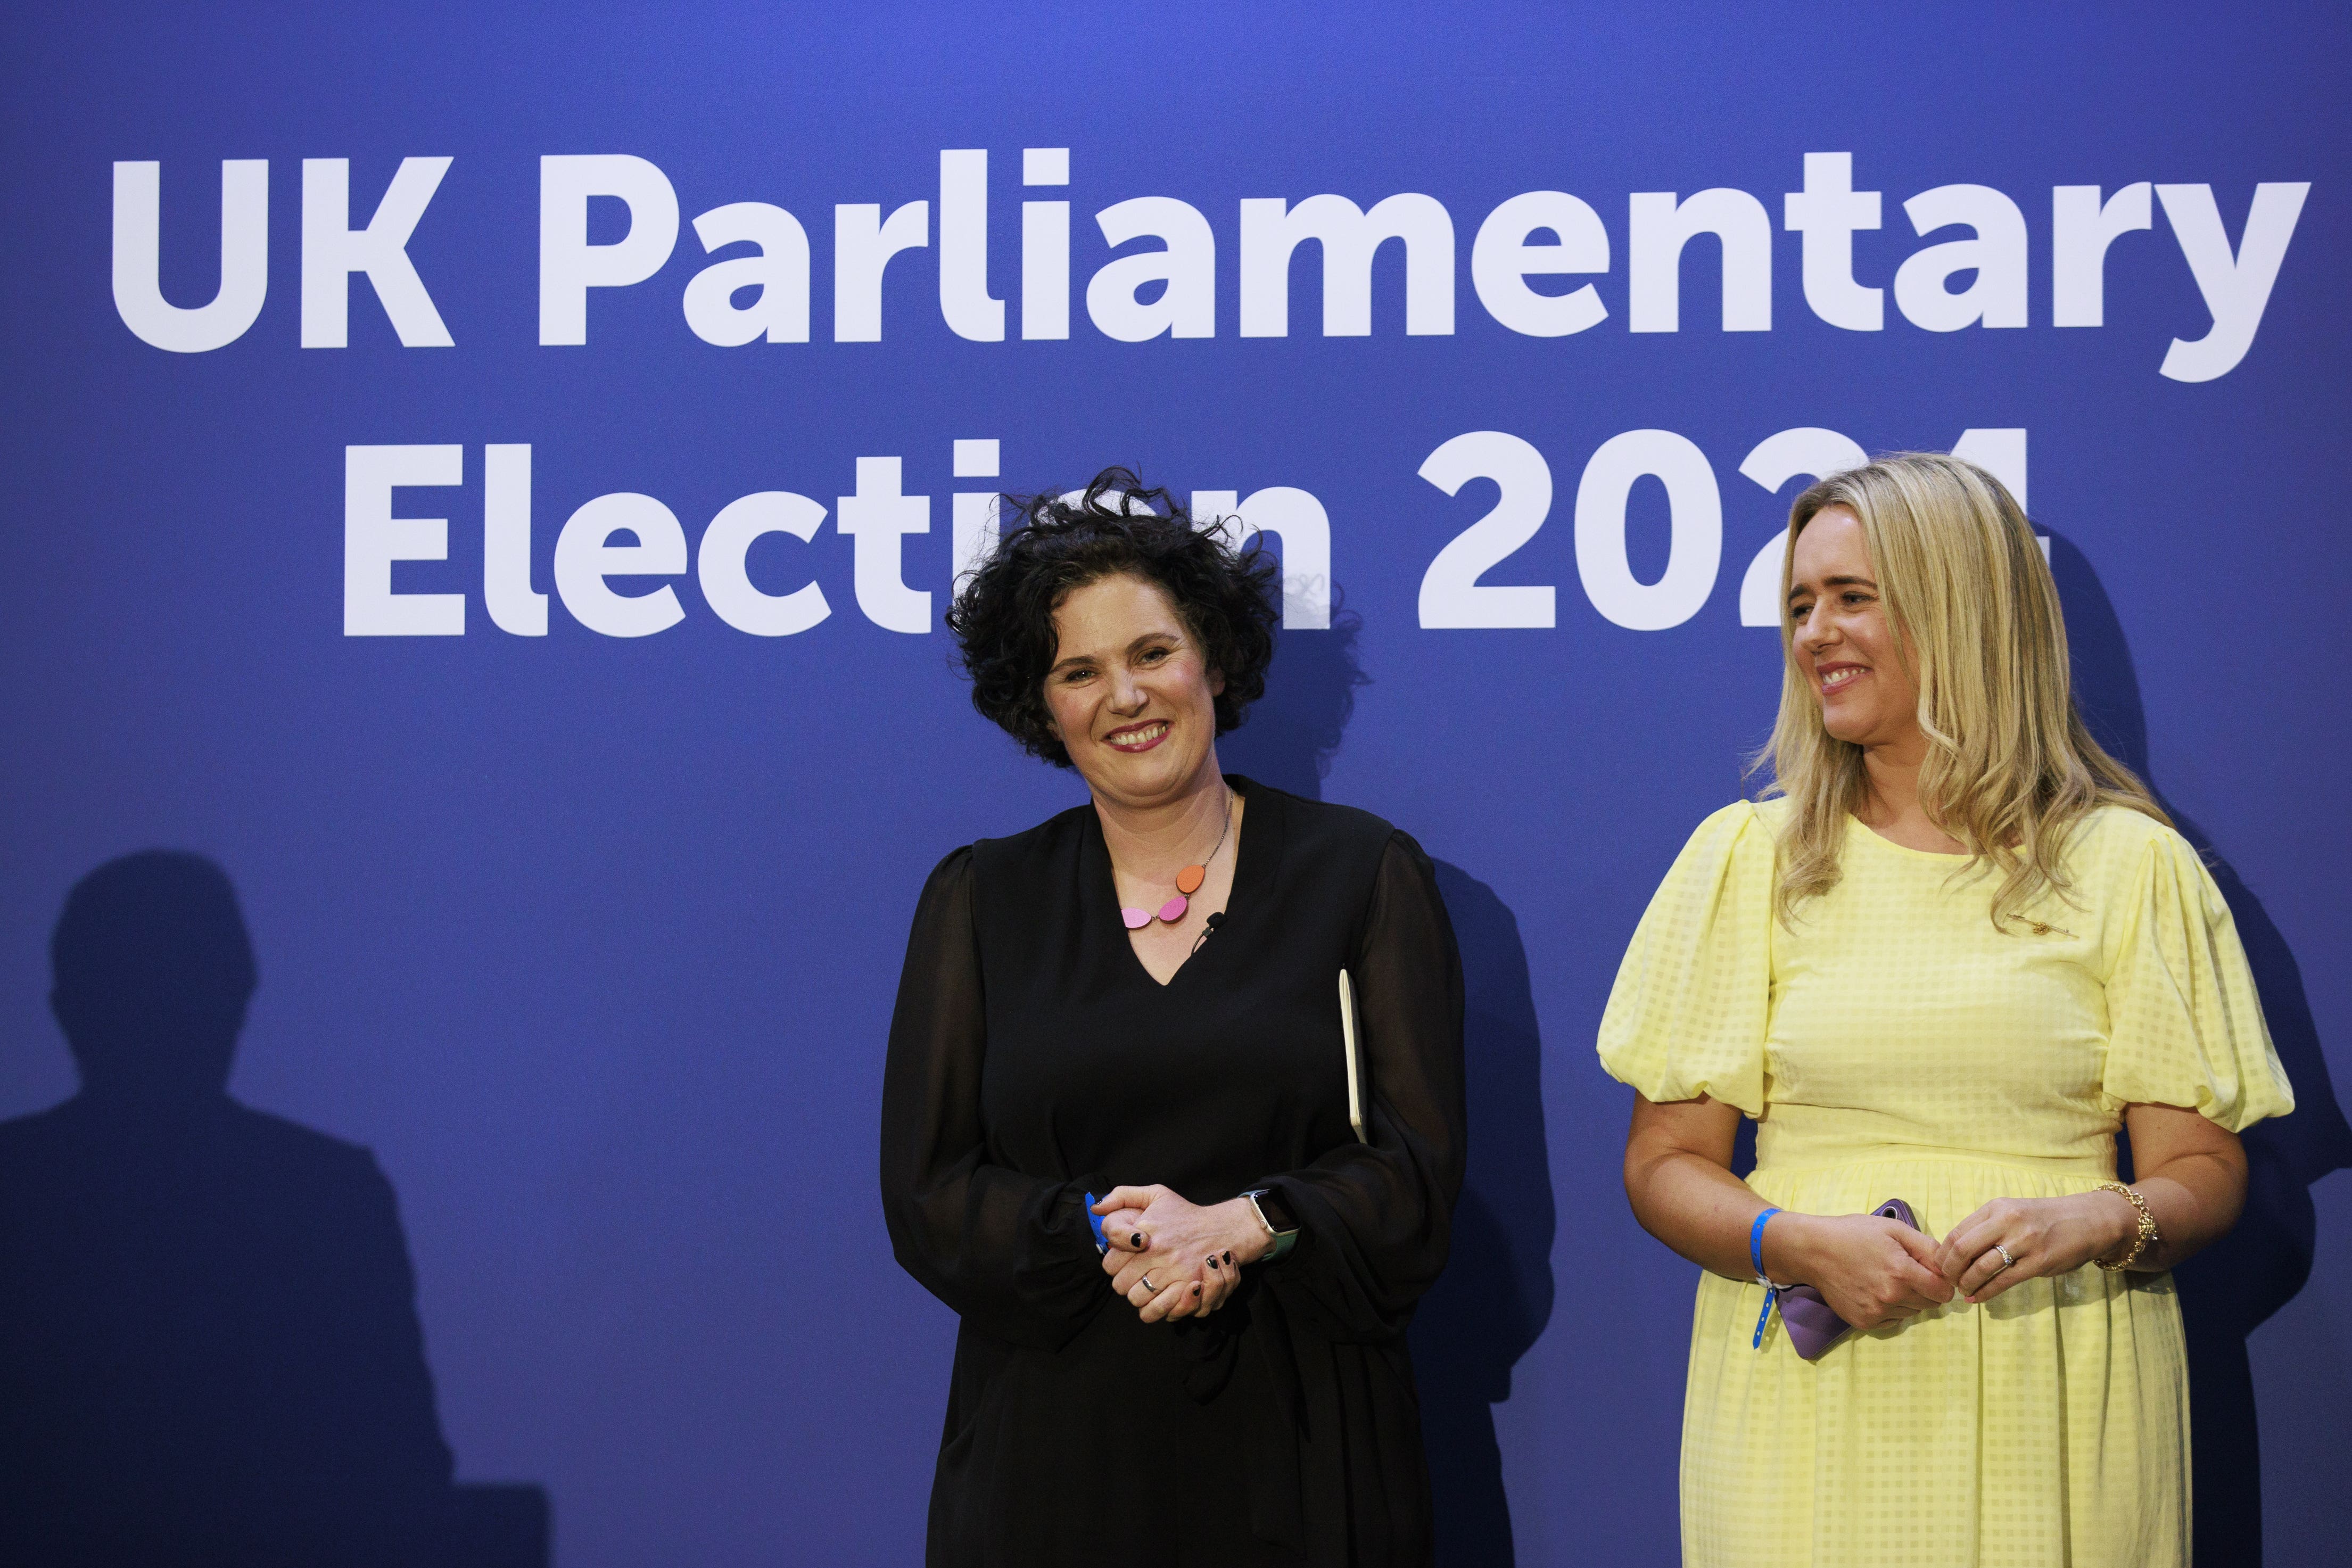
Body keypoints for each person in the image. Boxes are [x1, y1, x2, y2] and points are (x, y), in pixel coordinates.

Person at [1597, 453, 2293, 1567]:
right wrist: (1793, 1242)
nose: (1813, 632)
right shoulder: (1745, 860)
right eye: (1797, 604)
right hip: (1806, 1394)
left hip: (2055, 1377)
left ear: (1958, 606)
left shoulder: (2128, 867)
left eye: (1850, 597)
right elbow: (1661, 1166)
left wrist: (2105, 1219)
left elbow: (2203, 1173)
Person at [879, 468, 1466, 1568]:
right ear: (1039, 704)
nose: (1124, 696)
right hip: (1050, 1457)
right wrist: (1110, 1231)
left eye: (1151, 653)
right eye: (1078, 671)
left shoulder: (1362, 876)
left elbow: (1417, 1178)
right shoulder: (979, 898)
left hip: (1303, 1442)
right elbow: (928, 1195)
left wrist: (1247, 1221)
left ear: (1214, 657)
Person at [0, 851, 455, 1568]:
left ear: (69, 1009)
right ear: (240, 993)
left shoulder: (19, 1191)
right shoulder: (328, 1197)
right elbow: (404, 1474)